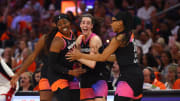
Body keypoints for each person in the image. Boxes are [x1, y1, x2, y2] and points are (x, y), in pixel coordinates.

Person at [67, 11, 144, 101]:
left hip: (127, 77)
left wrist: (80, 55)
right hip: (137, 75)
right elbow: (117, 57)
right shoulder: (130, 35)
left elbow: (102, 57)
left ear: (120, 23)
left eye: (113, 21)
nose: (111, 24)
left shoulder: (118, 38)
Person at [47, 14, 86, 101]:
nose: (63, 26)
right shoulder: (58, 41)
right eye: (59, 25)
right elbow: (52, 64)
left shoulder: (72, 33)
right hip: (57, 75)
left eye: (64, 23)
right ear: (57, 27)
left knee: (77, 97)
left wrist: (79, 63)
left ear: (70, 22)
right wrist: (70, 72)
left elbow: (74, 51)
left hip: (69, 73)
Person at [75, 14, 108, 101]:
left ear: (92, 26)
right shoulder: (79, 39)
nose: (85, 25)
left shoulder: (95, 39)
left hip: (98, 78)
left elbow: (92, 64)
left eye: (88, 23)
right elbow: (72, 54)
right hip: (85, 78)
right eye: (83, 23)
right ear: (80, 25)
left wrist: (77, 57)